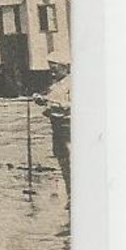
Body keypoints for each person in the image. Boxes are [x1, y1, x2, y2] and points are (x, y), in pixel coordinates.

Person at [35, 52, 72, 205]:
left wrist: (54, 103)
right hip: (56, 126)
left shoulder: (73, 83)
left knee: (72, 161)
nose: (52, 72)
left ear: (65, 67)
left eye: (55, 69)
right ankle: (71, 194)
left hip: (69, 127)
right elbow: (51, 102)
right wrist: (41, 101)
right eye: (51, 69)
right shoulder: (55, 85)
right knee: (62, 160)